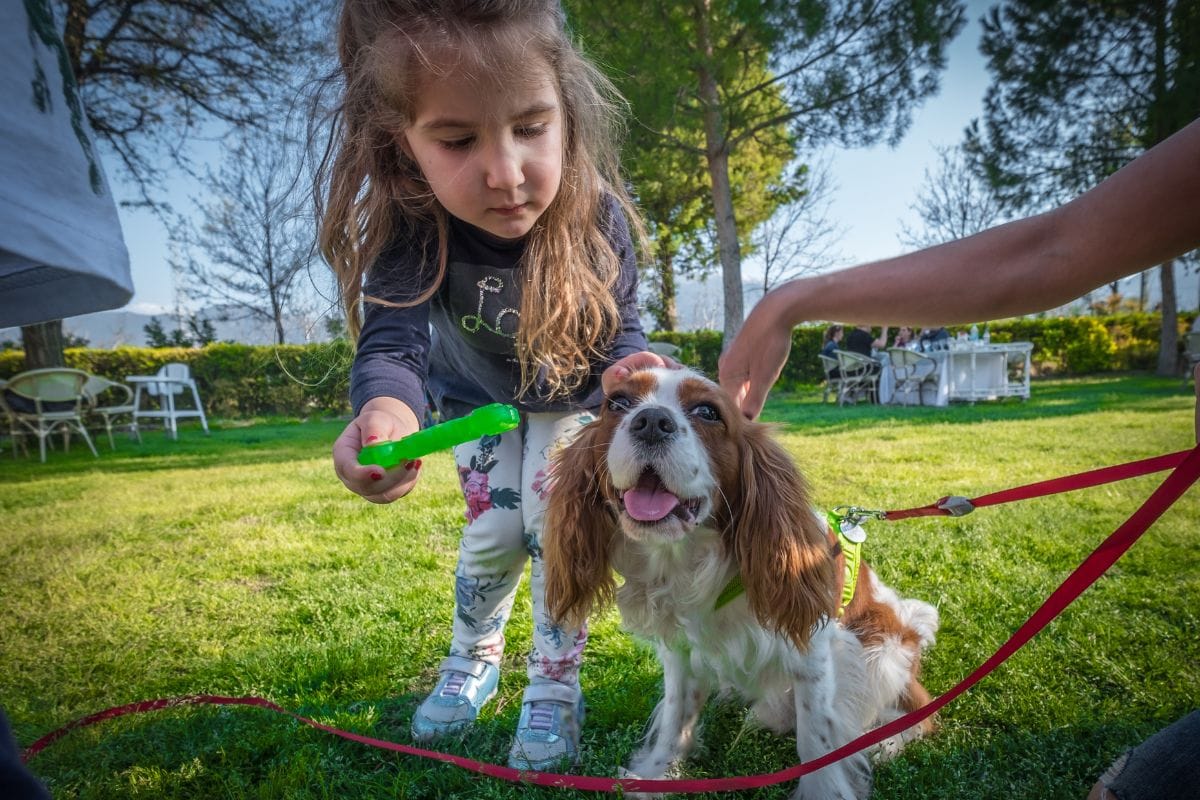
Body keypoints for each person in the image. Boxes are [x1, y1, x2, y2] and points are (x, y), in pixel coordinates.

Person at [717, 118, 1200, 800]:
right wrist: (788, 302)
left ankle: (901, 690)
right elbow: (1055, 248)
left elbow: (1051, 250)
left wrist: (790, 303)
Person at [320, 0, 653, 772]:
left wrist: (633, 373)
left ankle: (554, 684)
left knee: (555, 528)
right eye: (458, 139)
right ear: (401, 147)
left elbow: (622, 333)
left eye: (531, 128)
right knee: (494, 535)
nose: (506, 174)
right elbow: (393, 346)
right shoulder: (414, 227)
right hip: (475, 409)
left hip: (572, 405)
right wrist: (383, 412)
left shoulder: (597, 215)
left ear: (567, 115)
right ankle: (474, 657)